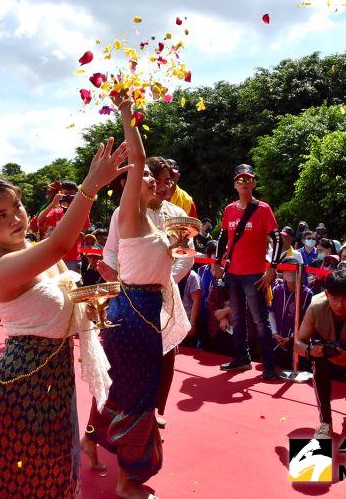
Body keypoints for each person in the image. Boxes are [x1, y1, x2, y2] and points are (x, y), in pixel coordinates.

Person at [0, 139, 127, 498]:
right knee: (22, 478)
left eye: (17, 206)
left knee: (56, 471)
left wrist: (94, 305)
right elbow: (61, 245)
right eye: (1, 215)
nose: (15, 218)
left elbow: (70, 299)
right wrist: (90, 186)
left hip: (56, 378)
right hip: (23, 385)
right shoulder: (4, 267)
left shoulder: (32, 250)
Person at [85, 97, 190, 498]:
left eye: (155, 180)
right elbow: (140, 158)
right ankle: (128, 481)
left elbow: (169, 262)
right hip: (131, 312)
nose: (153, 182)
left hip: (147, 309)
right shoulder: (128, 212)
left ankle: (98, 448)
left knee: (129, 391)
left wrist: (179, 243)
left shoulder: (159, 218)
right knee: (137, 395)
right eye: (145, 178)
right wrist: (127, 115)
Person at [212, 164, 282, 380]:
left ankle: (269, 365)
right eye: (240, 180)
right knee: (238, 317)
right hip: (233, 272)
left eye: (248, 180)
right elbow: (223, 237)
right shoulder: (229, 210)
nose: (244, 184)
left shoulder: (263, 209)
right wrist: (217, 262)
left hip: (254, 274)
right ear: (235, 184)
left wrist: (272, 267)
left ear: (254, 183)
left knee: (260, 320)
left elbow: (277, 238)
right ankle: (242, 358)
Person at [295, 271, 346, 439]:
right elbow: (298, 342)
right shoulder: (316, 306)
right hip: (325, 350)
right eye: (334, 298)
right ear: (326, 294)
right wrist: (310, 351)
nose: (340, 304)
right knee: (319, 367)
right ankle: (325, 422)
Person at [37, 180, 91, 272]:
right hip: (54, 258)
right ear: (60, 194)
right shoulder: (56, 210)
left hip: (72, 258)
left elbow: (82, 234)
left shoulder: (82, 212)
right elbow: (39, 220)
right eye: (65, 194)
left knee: (72, 285)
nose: (68, 197)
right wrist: (53, 203)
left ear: (77, 195)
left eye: (71, 194)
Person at [269, 257, 313, 369]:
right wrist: (275, 333)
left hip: (297, 343)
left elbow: (307, 321)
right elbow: (271, 312)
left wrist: (292, 338)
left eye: (293, 270)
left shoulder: (307, 293)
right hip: (277, 340)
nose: (289, 273)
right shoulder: (276, 290)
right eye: (286, 270)